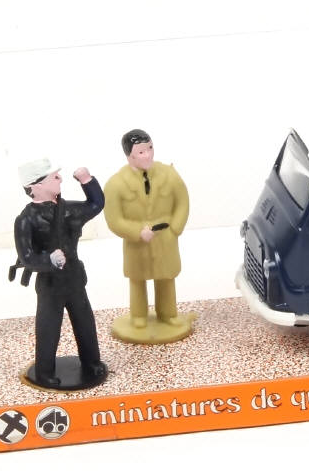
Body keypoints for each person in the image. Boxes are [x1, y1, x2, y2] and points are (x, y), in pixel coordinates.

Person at [14, 158, 106, 388]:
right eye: (54, 177)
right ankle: (44, 371)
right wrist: (49, 260)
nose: (60, 179)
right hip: (50, 284)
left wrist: (87, 180)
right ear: (35, 186)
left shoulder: (68, 211)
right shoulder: (25, 219)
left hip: (74, 278)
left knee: (85, 323)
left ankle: (92, 362)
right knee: (48, 328)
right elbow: (27, 257)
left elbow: (96, 204)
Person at [103, 129, 190, 339]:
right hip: (137, 244)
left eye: (150, 148)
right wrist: (136, 232)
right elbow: (114, 220)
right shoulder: (116, 184)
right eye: (141, 152)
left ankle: (168, 313)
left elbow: (182, 201)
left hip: (165, 238)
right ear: (129, 155)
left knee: (166, 278)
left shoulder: (169, 175)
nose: (148, 155)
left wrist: (175, 228)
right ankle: (138, 316)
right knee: (137, 279)